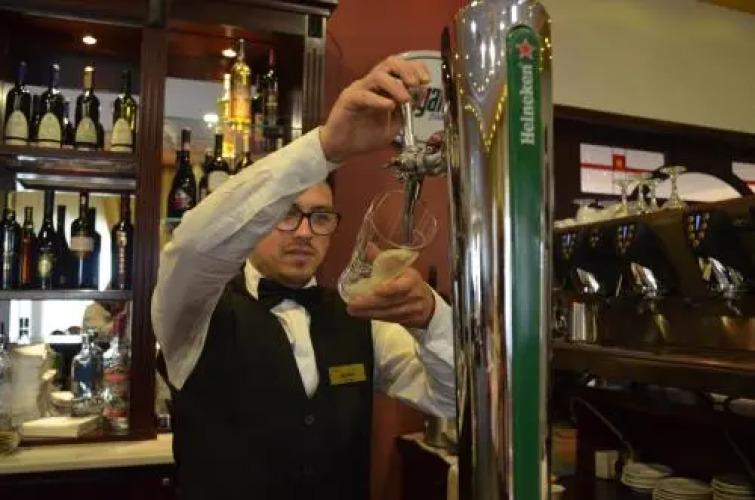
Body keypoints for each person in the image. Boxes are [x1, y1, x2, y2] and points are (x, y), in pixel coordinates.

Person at [151, 55, 455, 500]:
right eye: (286, 214)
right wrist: (326, 148)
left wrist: (432, 318)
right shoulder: (193, 315)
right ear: (255, 222)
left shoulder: (362, 318)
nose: (304, 233)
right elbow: (191, 247)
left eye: (320, 217)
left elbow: (451, 398)